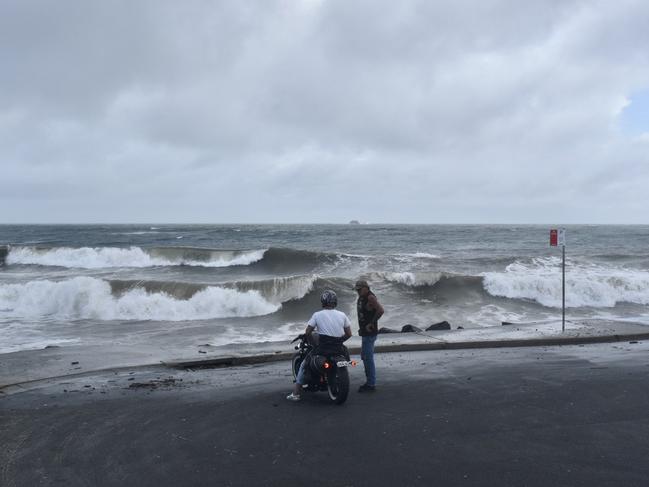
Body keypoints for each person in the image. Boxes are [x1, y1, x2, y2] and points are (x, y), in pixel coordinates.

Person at [287, 290, 352, 401]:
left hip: (323, 348)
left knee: (304, 364)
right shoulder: (342, 315)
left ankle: (296, 393)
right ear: (335, 302)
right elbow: (349, 334)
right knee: (346, 357)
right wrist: (339, 341)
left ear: (323, 302)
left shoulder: (317, 315)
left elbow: (308, 332)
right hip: (338, 348)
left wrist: (313, 343)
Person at [355, 279, 384, 392]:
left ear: (366, 288)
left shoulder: (370, 297)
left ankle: (370, 384)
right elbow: (363, 315)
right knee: (364, 356)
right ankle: (369, 382)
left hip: (370, 333)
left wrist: (371, 323)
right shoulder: (362, 297)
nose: (358, 292)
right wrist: (362, 328)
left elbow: (381, 310)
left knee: (368, 358)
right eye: (356, 290)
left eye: (359, 289)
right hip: (365, 333)